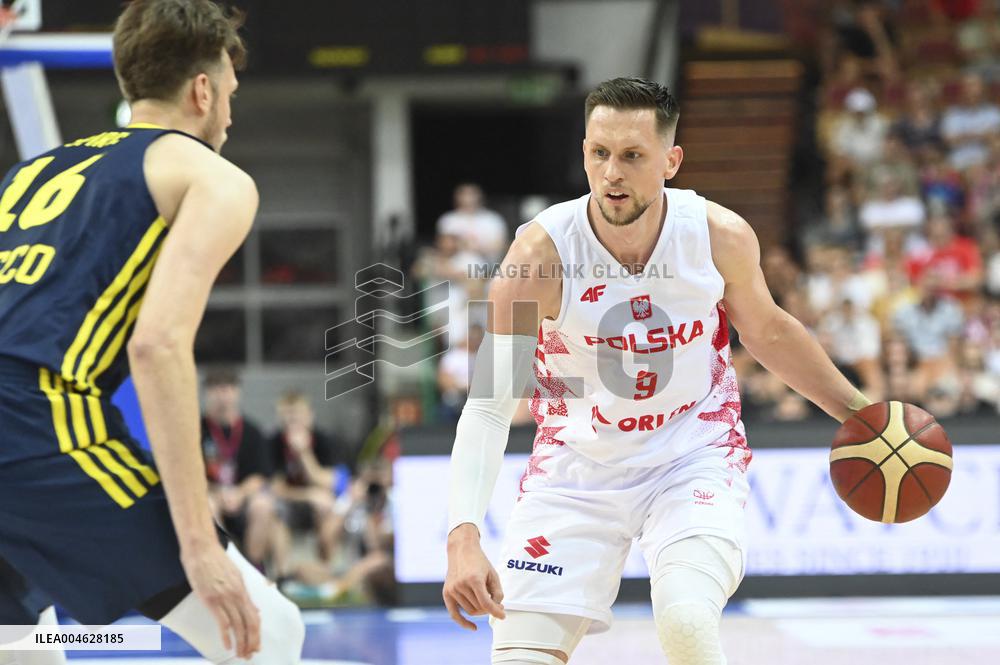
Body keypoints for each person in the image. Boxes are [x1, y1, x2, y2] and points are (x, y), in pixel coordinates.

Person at [443, 77, 872, 665]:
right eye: (599, 153)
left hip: (690, 453)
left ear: (671, 161)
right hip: (576, 471)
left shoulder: (717, 236)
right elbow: (490, 405)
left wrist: (861, 413)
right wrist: (463, 534)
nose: (612, 172)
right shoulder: (535, 260)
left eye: (632, 156)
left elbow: (768, 330)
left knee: (687, 623)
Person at [0, 1, 304, 663]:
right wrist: (198, 541)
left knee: (22, 645)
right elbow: (156, 344)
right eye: (229, 93)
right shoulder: (210, 176)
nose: (229, 112)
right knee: (266, 632)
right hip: (33, 421)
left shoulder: (29, 173)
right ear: (203, 90)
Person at [200, 368, 278, 573]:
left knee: (263, 505)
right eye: (216, 389)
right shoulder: (196, 430)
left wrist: (239, 494)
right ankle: (223, 566)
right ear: (206, 394)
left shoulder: (252, 432)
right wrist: (218, 492)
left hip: (243, 499)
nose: (222, 396)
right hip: (213, 496)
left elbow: (261, 476)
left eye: (227, 389)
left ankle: (255, 568)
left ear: (237, 392)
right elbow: (189, 475)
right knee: (207, 505)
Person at [269, 390, 352, 567]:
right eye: (288, 418)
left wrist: (304, 453)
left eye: (297, 417)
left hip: (324, 503)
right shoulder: (273, 442)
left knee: (326, 505)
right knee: (275, 511)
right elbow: (276, 488)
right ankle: (283, 575)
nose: (292, 423)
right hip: (291, 501)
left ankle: (325, 572)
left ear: (309, 416)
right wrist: (308, 495)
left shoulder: (325, 441)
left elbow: (333, 481)